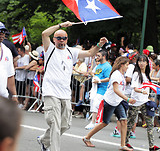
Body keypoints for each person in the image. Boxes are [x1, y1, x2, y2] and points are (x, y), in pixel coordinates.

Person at [37, 21, 108, 151]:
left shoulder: (72, 51)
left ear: (67, 39)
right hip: (51, 92)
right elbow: (44, 33)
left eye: (64, 38)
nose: (61, 40)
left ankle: (43, 140)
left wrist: (99, 45)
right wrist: (60, 26)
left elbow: (90, 53)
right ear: (54, 39)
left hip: (65, 93)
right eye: (58, 38)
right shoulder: (50, 48)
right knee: (55, 124)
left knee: (65, 125)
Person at [82, 56, 136, 151]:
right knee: (104, 122)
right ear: (122, 65)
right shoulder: (116, 74)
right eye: (127, 65)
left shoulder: (120, 74)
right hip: (110, 101)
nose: (128, 67)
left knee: (124, 121)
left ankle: (123, 145)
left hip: (117, 101)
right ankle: (86, 137)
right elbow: (115, 89)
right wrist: (127, 99)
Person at [125, 54, 160, 151]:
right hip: (135, 102)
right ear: (137, 63)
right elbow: (135, 88)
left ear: (147, 63)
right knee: (130, 124)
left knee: (150, 124)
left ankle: (151, 146)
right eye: (140, 61)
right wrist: (142, 91)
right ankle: (125, 143)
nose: (141, 63)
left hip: (145, 102)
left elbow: (148, 86)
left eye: (144, 61)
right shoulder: (136, 74)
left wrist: (148, 96)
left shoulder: (147, 74)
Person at [85, 50, 112, 130]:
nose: (97, 57)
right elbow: (92, 72)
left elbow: (108, 78)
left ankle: (94, 122)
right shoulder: (98, 65)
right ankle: (96, 121)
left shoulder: (107, 66)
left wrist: (99, 80)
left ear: (103, 56)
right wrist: (94, 76)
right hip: (96, 88)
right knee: (94, 103)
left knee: (96, 104)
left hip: (102, 89)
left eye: (98, 56)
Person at [0, 22, 18, 102]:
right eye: (0, 32)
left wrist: (14, 95)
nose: (1, 34)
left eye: (3, 32)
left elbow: (10, 75)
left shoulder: (7, 51)